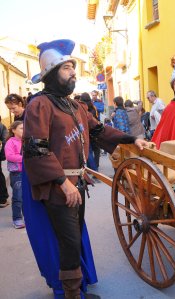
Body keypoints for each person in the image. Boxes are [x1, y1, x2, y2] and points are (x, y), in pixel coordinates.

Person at [22, 39, 149, 299]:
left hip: (76, 185)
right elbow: (36, 149)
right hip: (59, 188)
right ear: (50, 72)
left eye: (73, 67)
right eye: (67, 67)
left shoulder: (75, 106)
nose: (73, 72)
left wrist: (131, 139)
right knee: (68, 243)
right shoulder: (40, 105)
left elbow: (100, 131)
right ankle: (71, 295)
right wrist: (62, 182)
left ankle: (77, 290)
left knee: (75, 238)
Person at [5, 121, 24, 229]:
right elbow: (10, 156)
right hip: (17, 174)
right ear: (13, 130)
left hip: (27, 173)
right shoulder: (10, 142)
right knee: (18, 197)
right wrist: (25, 159)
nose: (24, 130)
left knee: (28, 197)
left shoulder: (26, 141)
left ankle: (29, 217)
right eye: (21, 128)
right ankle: (17, 219)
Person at [0, 116, 9, 208]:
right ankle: (3, 199)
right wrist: (2, 155)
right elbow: (5, 140)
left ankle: (3, 199)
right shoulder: (2, 126)